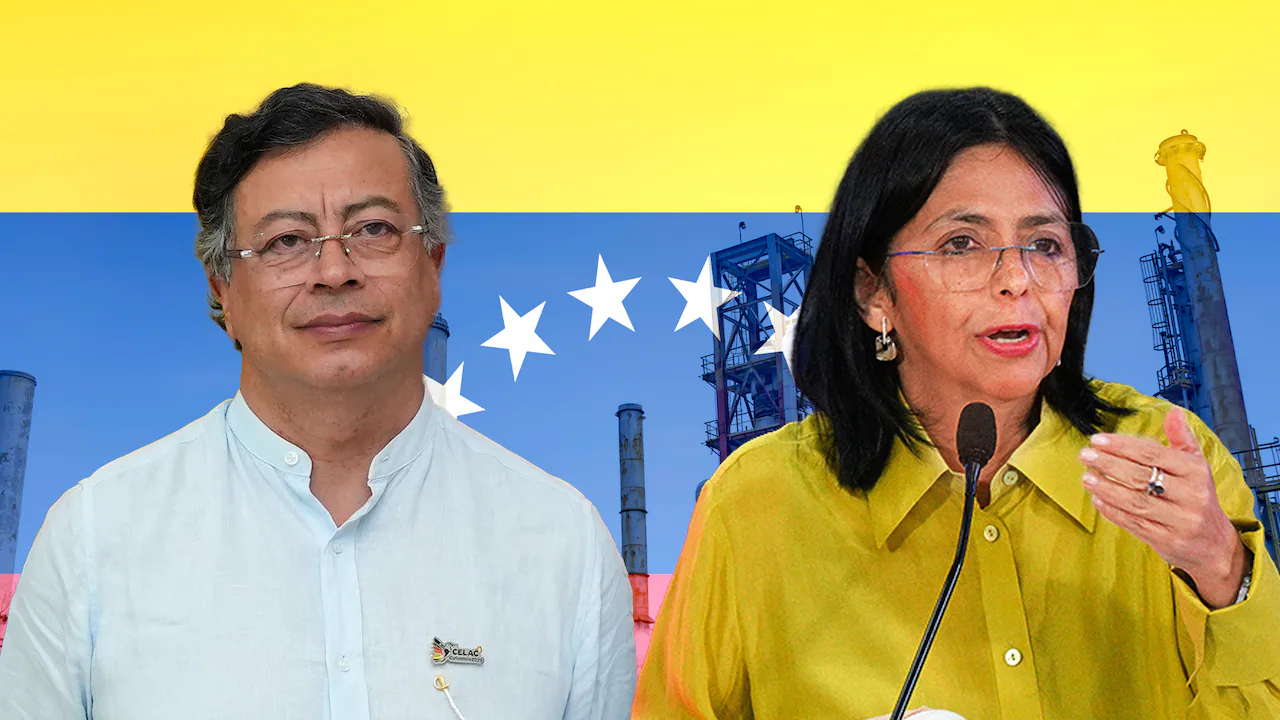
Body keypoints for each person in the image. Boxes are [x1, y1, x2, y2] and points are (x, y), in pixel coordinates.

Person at [632, 87, 1280, 718]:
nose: (1017, 279)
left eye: (1045, 245)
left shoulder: (1170, 456)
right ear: (872, 293)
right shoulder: (757, 505)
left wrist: (1221, 567)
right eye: (962, 244)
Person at [0, 83, 636, 719]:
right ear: (222, 287)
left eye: (374, 229)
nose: (334, 272)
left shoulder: (563, 545)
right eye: (286, 240)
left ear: (433, 265)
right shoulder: (95, 538)